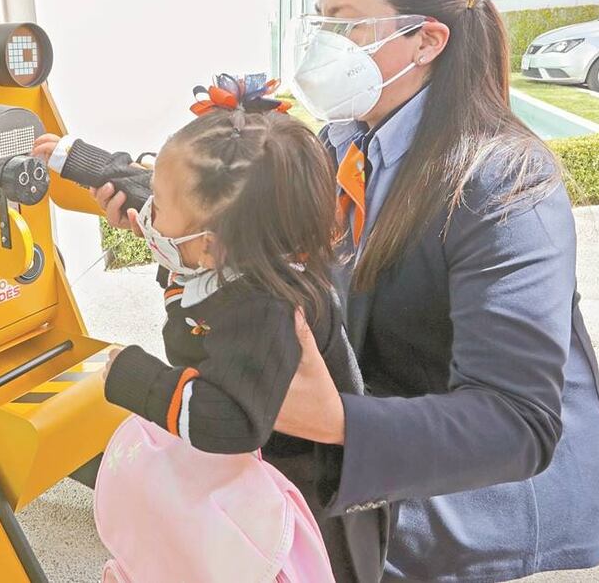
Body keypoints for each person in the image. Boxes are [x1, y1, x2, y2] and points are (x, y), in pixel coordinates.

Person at [81, 0, 599, 580]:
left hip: (472, 493)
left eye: (344, 22)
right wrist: (159, 211)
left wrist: (336, 418)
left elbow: (516, 423)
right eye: (319, 21)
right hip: (369, 441)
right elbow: (242, 211)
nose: (321, 44)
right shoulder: (342, 140)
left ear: (425, 39)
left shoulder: (505, 182)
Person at [36, 79, 381, 580]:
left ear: (210, 246)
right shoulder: (249, 243)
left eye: (160, 202)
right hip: (263, 470)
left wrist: (135, 376)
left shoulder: (263, 311)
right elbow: (144, 192)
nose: (148, 214)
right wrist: (78, 158)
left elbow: (232, 423)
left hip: (299, 505)